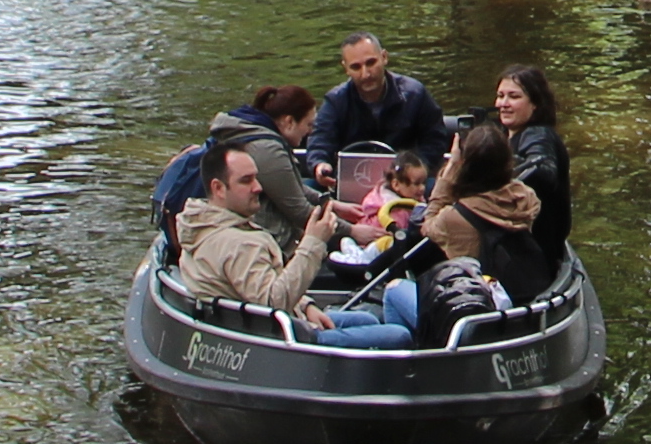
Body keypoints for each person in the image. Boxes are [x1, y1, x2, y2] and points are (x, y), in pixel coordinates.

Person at [172, 143, 358, 333]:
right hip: (276, 336)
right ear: (218, 188)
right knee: (379, 333)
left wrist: (305, 306)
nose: (258, 187)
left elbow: (262, 288)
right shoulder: (239, 244)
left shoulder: (200, 224)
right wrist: (313, 242)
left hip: (268, 324)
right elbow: (273, 303)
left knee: (363, 319)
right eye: (246, 181)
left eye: (256, 178)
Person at [427, 64, 574, 302]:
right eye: (500, 96)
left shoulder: (538, 135)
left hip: (532, 253)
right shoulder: (507, 136)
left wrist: (498, 183)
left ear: (535, 103)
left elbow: (544, 170)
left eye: (513, 97)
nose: (503, 104)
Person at [148, 82, 316, 242]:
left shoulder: (244, 130)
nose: (310, 131)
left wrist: (325, 201)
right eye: (309, 124)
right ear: (289, 122)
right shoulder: (268, 151)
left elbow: (292, 187)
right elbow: (300, 212)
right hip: (264, 238)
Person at [310, 29, 451, 169]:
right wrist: (320, 164)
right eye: (356, 67)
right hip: (353, 177)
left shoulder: (415, 94)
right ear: (346, 68)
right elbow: (320, 140)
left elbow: (435, 139)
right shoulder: (335, 101)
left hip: (406, 177)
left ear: (384, 57)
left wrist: (419, 167)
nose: (365, 74)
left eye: (371, 63)